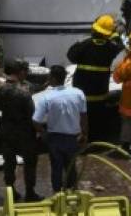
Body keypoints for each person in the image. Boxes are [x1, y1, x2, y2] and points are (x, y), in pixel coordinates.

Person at [66, 15, 124, 142]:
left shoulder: (84, 45)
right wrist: (116, 35)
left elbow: (70, 55)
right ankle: (96, 141)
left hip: (82, 91)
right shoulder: (111, 47)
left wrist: (80, 42)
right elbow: (120, 45)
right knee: (97, 118)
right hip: (99, 92)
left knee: (81, 117)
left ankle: (82, 140)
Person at [0, 59, 43, 202]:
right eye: (25, 72)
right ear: (20, 72)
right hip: (25, 132)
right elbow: (33, 115)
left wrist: (0, 128)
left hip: (6, 130)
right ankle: (30, 192)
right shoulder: (24, 92)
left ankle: (11, 190)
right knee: (30, 162)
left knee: (9, 162)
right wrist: (38, 132)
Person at [33, 65, 88, 195]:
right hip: (74, 137)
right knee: (71, 167)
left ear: (51, 78)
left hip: (55, 138)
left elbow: (35, 121)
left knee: (56, 168)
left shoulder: (46, 97)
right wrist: (84, 134)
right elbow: (84, 116)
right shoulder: (78, 93)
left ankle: (57, 195)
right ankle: (72, 194)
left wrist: (43, 133)